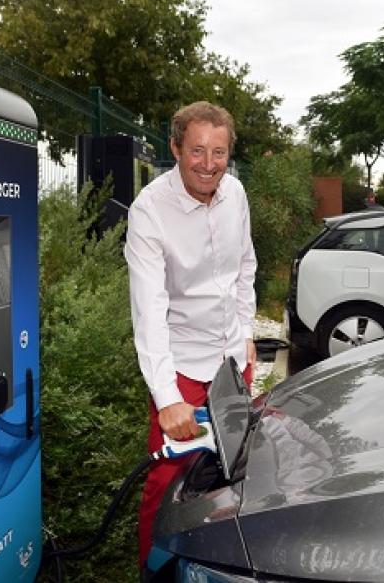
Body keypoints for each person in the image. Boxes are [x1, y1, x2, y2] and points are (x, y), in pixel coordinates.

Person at [124, 101, 257, 567]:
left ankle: (210, 565)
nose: (208, 164)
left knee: (227, 469)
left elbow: (245, 267)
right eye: (197, 151)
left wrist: (246, 334)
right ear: (176, 148)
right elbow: (149, 311)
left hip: (230, 362)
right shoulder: (150, 212)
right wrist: (166, 398)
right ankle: (152, 569)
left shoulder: (235, 194)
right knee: (168, 483)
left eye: (218, 152)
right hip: (180, 367)